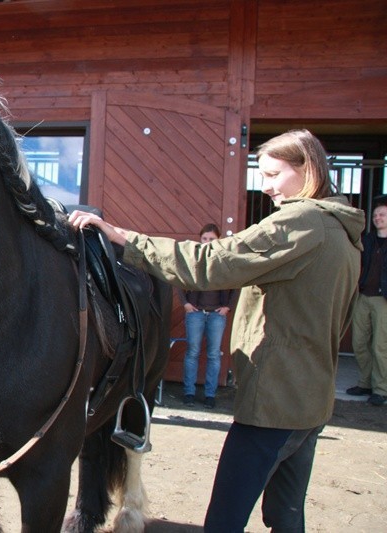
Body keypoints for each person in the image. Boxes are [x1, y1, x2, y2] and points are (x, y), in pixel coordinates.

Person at [69, 129, 365, 532]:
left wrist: (124, 238)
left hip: (274, 404)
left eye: (274, 174)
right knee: (286, 516)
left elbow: (213, 261)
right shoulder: (344, 234)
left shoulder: (302, 223)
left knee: (224, 521)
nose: (267, 186)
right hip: (311, 401)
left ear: (307, 170)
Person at [177, 223, 237, 409]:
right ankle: (189, 393)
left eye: (212, 239)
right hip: (195, 314)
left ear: (218, 240)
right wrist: (185, 303)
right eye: (204, 238)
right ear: (200, 238)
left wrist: (228, 307)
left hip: (217, 315)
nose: (207, 242)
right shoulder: (192, 257)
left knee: (213, 355)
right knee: (192, 353)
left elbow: (238, 284)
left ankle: (210, 395)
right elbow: (177, 278)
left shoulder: (225, 260)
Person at [348, 197, 387, 407]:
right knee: (359, 342)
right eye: (375, 216)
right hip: (364, 296)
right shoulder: (369, 240)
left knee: (381, 346)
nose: (377, 218)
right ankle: (365, 383)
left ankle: (381, 389)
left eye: (382, 215)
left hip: (384, 299)